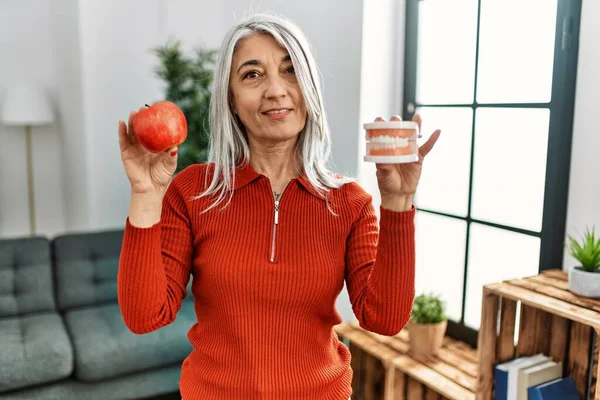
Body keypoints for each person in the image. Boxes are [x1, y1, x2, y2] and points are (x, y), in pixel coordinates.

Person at [116, 12, 440, 400]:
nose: (275, 90)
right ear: (231, 100)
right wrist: (145, 194)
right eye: (252, 74)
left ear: (309, 89)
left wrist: (399, 204)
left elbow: (384, 319)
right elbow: (144, 316)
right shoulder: (194, 190)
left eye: (290, 71)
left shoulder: (350, 203)